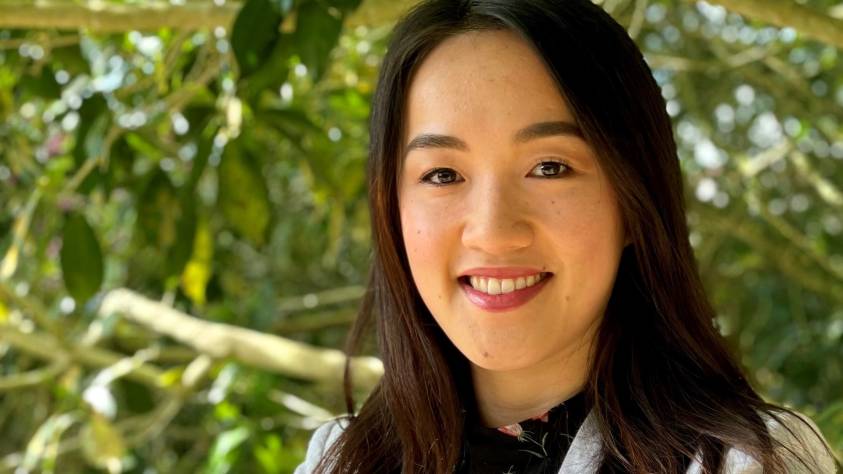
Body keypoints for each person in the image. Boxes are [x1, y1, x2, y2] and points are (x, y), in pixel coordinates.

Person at [295, 0, 838, 472]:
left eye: (550, 167)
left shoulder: (746, 461)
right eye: (442, 174)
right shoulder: (339, 459)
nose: (493, 232)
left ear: (635, 200)